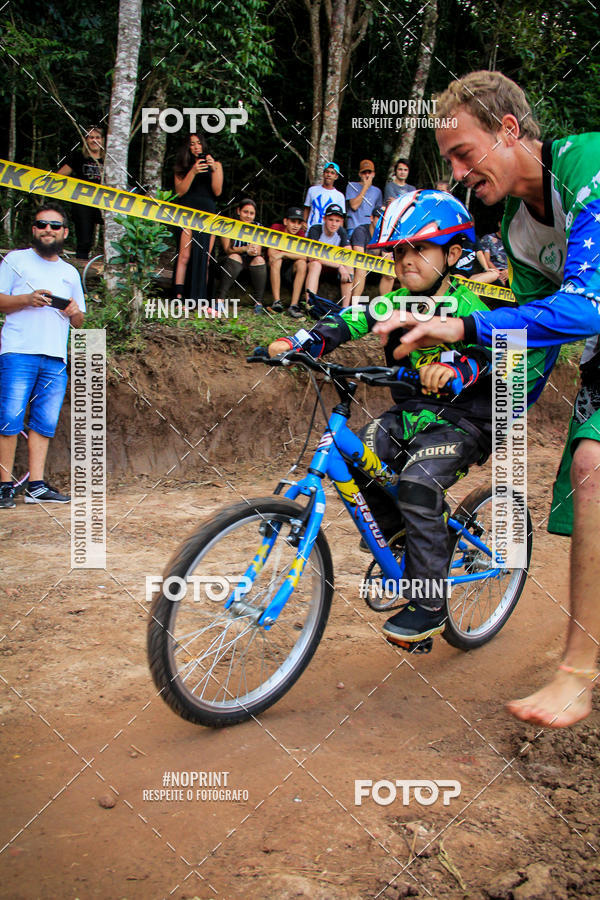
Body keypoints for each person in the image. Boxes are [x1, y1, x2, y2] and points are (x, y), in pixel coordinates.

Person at [373, 70, 600, 727]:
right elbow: (536, 336)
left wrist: (462, 327)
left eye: (463, 154)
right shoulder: (513, 224)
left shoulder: (585, 163)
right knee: (589, 469)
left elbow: (583, 305)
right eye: (448, 162)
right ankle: (577, 674)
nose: (458, 173)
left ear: (509, 129)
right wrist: (491, 407)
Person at [268, 191, 494, 644]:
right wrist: (300, 343)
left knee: (416, 483)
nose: (406, 260)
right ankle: (402, 537)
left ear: (452, 254)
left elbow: (498, 355)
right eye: (398, 251)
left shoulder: (471, 308)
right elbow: (347, 319)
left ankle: (429, 602)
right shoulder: (390, 304)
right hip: (410, 413)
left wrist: (456, 369)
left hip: (466, 420)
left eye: (420, 249)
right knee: (355, 456)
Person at [0, 204, 85, 508]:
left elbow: (79, 321)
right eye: (41, 224)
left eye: (54, 225)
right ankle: (4, 486)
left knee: (44, 423)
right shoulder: (15, 260)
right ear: (34, 230)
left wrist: (75, 312)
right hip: (18, 350)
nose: (48, 229)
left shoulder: (69, 272)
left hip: (55, 356)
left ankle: (36, 486)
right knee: (9, 419)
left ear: (64, 232)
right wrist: (27, 299)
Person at [172, 133, 223, 302]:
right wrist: (193, 172)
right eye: (192, 144)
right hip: (187, 212)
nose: (196, 147)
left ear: (204, 145)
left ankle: (202, 297)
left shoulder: (216, 165)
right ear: (187, 147)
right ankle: (179, 294)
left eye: (198, 143)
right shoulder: (182, 167)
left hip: (207, 212)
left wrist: (213, 169)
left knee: (206, 256)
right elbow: (180, 191)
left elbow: (217, 191)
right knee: (185, 254)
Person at [57, 126, 104, 260]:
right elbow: (59, 176)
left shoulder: (110, 159)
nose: (94, 140)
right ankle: (81, 270)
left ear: (102, 140)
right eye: (91, 137)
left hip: (105, 202)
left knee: (115, 235)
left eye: (97, 137)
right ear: (86, 140)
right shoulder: (78, 156)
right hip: (83, 202)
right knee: (84, 241)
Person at [218, 198, 268, 314]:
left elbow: (258, 250)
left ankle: (258, 303)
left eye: (252, 213)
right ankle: (219, 299)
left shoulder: (258, 227)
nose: (248, 216)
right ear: (238, 211)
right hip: (229, 259)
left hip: (249, 259)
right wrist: (245, 249)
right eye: (245, 212)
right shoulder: (228, 225)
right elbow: (227, 249)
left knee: (259, 259)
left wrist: (253, 251)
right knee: (235, 257)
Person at [305, 204, 353, 307]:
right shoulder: (316, 229)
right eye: (331, 220)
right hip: (316, 265)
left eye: (337, 221)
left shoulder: (341, 231)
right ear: (324, 219)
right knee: (315, 264)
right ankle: (310, 305)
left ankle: (345, 308)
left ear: (341, 222)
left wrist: (341, 266)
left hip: (332, 266)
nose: (334, 224)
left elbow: (349, 255)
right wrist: (339, 266)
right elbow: (312, 257)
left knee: (349, 266)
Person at [268, 207, 308, 317]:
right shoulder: (276, 228)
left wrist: (284, 254)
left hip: (290, 268)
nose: (296, 226)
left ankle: (294, 305)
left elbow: (304, 256)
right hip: (274, 267)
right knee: (277, 260)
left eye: (299, 223)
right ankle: (276, 301)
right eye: (293, 222)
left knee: (302, 264)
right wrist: (283, 255)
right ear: (286, 221)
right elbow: (271, 253)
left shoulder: (300, 234)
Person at [351, 206, 395, 300]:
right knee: (361, 268)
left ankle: (385, 307)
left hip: (375, 269)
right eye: (379, 218)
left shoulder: (385, 235)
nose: (381, 222)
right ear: (371, 218)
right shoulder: (360, 231)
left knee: (390, 273)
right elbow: (360, 257)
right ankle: (354, 306)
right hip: (356, 268)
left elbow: (387, 260)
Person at [345, 160, 383, 237]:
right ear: (359, 174)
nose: (367, 175)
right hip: (353, 227)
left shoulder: (377, 191)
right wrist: (365, 187)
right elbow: (354, 206)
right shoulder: (351, 186)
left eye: (369, 172)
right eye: (364, 172)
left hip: (370, 229)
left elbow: (378, 213)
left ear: (373, 174)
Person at [304, 163, 346, 229]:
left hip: (328, 233)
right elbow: (307, 209)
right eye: (327, 172)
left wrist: (339, 234)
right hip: (310, 229)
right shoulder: (312, 190)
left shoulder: (339, 196)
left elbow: (340, 218)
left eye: (332, 173)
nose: (329, 175)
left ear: (336, 176)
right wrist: (304, 222)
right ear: (323, 173)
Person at [479, 219, 509, 285]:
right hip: (493, 270)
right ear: (499, 224)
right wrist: (499, 274)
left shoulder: (514, 242)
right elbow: (487, 260)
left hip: (509, 272)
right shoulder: (488, 238)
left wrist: (508, 271)